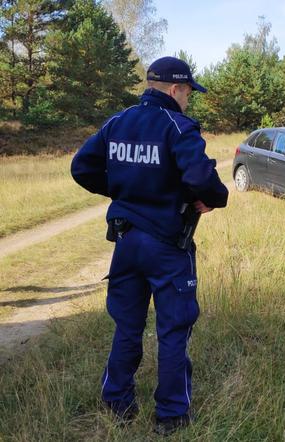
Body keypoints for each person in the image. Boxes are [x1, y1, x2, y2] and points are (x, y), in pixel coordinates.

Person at [71, 56, 228, 435]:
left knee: (127, 325)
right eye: (189, 93)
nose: (189, 100)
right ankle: (171, 416)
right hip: (167, 247)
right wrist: (213, 197)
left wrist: (124, 191)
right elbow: (201, 177)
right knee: (174, 330)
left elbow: (82, 167)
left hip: (126, 244)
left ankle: (117, 403)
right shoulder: (178, 124)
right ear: (175, 89)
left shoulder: (117, 122)